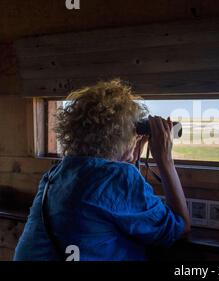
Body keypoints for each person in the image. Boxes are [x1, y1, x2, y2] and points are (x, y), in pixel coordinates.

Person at [14, 79, 190, 261]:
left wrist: (129, 158)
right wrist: (165, 159)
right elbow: (180, 228)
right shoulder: (118, 178)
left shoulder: (55, 174)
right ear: (122, 136)